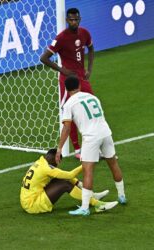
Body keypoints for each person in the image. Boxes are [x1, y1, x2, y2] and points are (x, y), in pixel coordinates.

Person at [55, 76, 127, 216]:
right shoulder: (92, 97)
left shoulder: (69, 104)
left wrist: (59, 148)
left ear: (67, 89)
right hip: (106, 133)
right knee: (113, 164)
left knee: (88, 171)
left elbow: (67, 128)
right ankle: (122, 196)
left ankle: (85, 208)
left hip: (91, 137)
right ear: (79, 86)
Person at [40, 8, 94, 159]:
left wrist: (89, 69)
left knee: (92, 107)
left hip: (82, 78)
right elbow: (44, 58)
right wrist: (62, 70)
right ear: (66, 20)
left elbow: (91, 48)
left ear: (80, 19)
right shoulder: (61, 38)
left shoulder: (84, 33)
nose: (74, 22)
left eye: (76, 19)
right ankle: (77, 149)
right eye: (71, 19)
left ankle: (93, 144)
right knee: (69, 115)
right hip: (67, 82)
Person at [20, 149, 118, 214]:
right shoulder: (47, 168)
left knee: (61, 178)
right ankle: (97, 204)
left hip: (28, 199)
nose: (57, 165)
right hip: (33, 205)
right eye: (57, 162)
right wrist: (87, 163)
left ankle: (90, 195)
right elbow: (70, 175)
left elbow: (64, 175)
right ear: (53, 159)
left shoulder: (40, 162)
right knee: (65, 184)